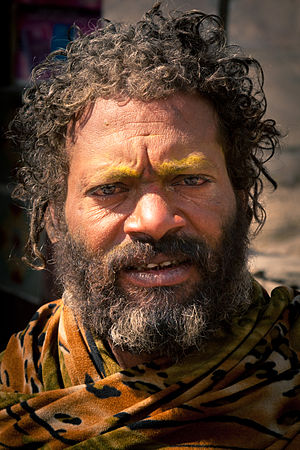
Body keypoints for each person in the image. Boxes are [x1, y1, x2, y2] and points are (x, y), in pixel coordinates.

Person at [0, 3, 299, 448]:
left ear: (243, 199)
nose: (154, 222)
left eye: (191, 180)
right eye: (109, 189)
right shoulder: (20, 379)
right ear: (54, 219)